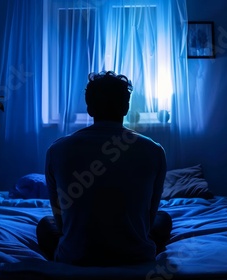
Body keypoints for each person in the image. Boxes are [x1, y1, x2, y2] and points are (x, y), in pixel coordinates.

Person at [37, 71, 171, 266]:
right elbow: (148, 219)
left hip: (77, 257)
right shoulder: (154, 150)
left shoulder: (57, 150)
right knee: (163, 219)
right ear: (125, 107)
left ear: (89, 109)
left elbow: (61, 222)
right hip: (136, 257)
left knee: (45, 226)